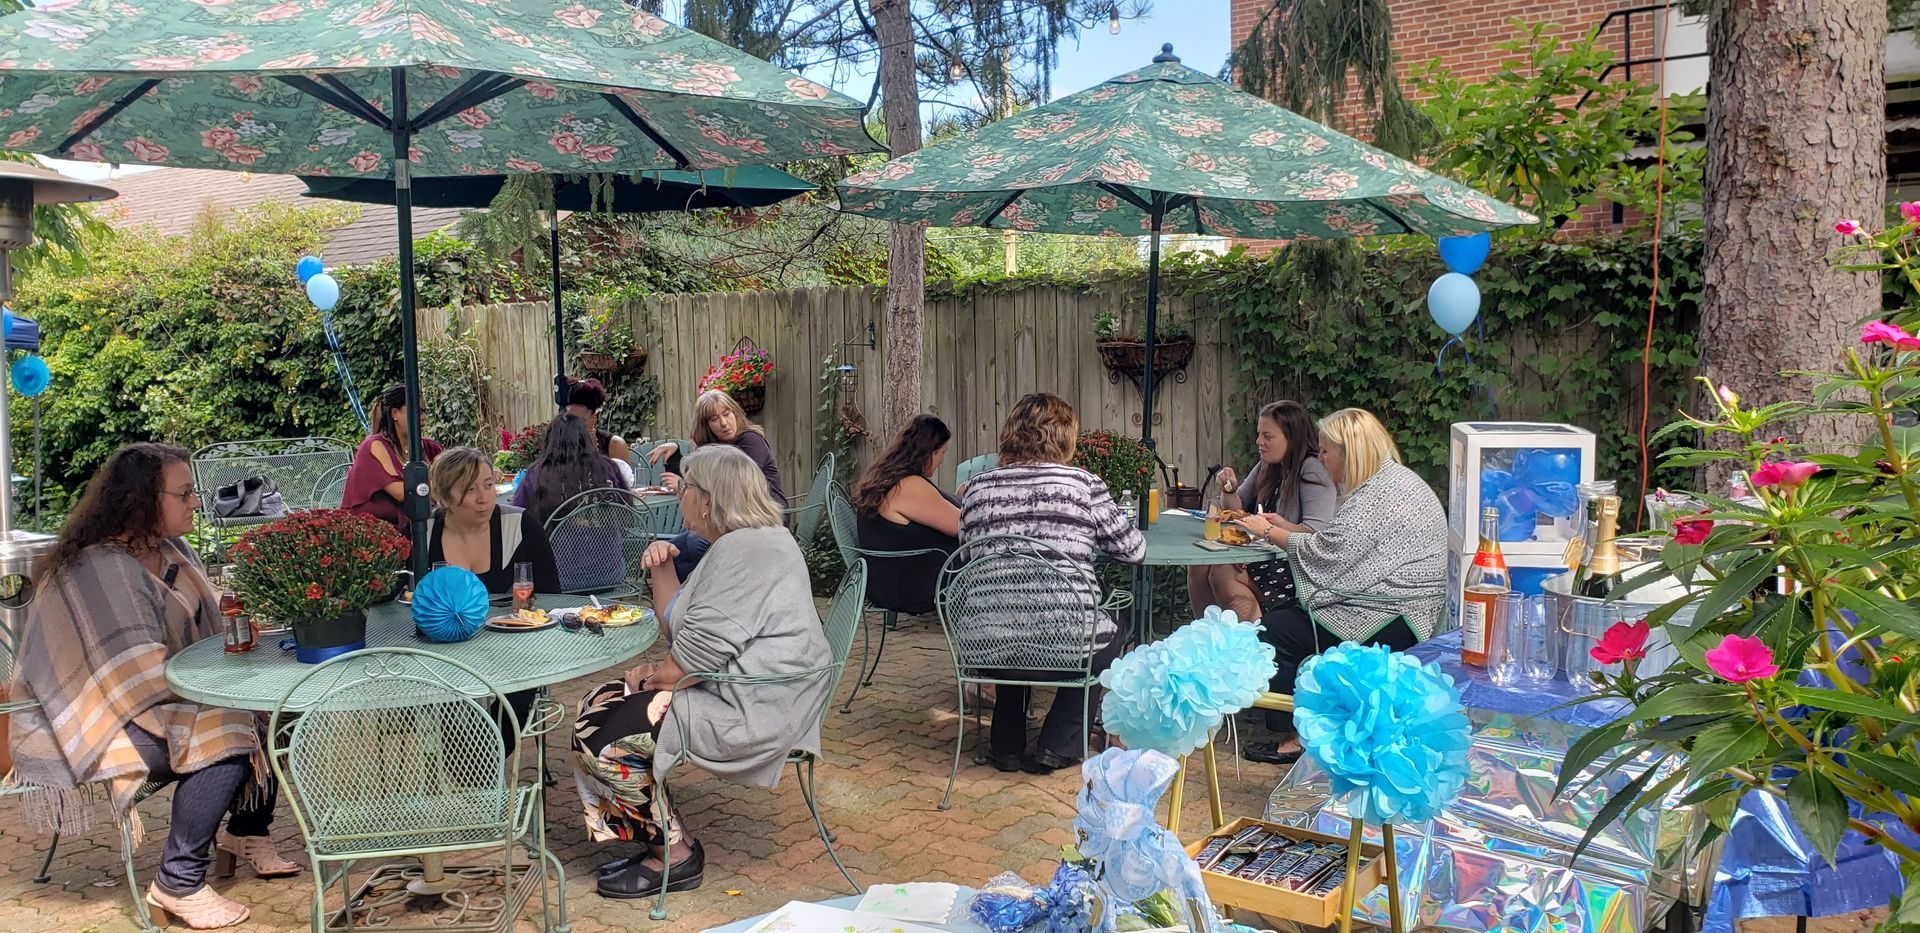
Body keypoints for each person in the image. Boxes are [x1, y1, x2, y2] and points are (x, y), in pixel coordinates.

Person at [9, 444, 298, 929]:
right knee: (227, 732)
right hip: (89, 720)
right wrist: (223, 691)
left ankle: (247, 830)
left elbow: (202, 636)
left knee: (274, 706)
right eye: (184, 493)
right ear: (142, 499)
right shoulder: (99, 569)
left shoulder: (172, 550)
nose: (196, 503)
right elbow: (132, 677)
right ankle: (177, 883)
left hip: (157, 701)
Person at [575, 445, 832, 899]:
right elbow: (678, 625)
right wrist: (663, 566)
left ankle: (674, 856)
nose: (680, 494)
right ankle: (662, 836)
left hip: (754, 709)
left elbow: (688, 663)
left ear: (708, 499)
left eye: (687, 487)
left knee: (599, 734)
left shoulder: (746, 551)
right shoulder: (747, 540)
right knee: (595, 703)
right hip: (744, 691)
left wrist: (647, 678)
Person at [1231, 407, 1447, 765]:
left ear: (1350, 452)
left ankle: (1296, 738)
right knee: (1285, 619)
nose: (1321, 458)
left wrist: (1269, 531)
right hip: (1405, 607)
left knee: (1272, 633)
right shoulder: (1393, 481)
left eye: (1326, 451)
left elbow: (1327, 553)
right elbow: (1339, 550)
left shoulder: (1375, 497)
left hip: (1392, 616)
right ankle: (1313, 723)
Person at [959, 393, 1145, 775]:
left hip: (986, 646)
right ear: (1066, 437)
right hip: (1067, 646)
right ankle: (1057, 745)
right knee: (1111, 628)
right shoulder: (1083, 484)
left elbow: (966, 558)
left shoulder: (976, 488)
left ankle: (1006, 745)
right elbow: (1133, 550)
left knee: (1012, 613)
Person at [1187, 400, 1338, 621]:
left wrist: (1271, 529)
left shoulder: (1312, 469)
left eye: (1268, 436)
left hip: (1295, 565)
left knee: (1223, 571)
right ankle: (1208, 632)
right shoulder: (1268, 465)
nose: (1259, 442)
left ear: (1292, 438)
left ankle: (1253, 637)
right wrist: (1229, 489)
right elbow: (1236, 509)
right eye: (1259, 434)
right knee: (1198, 564)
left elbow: (1315, 534)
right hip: (1263, 551)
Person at [850, 414, 961, 616]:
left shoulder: (888, 479)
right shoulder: (908, 486)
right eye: (943, 452)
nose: (942, 460)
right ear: (930, 452)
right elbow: (962, 525)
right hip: (910, 587)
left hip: (889, 580)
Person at [422, 446, 561, 595]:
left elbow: (551, 596)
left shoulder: (520, 526)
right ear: (444, 498)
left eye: (489, 485)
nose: (483, 498)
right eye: (470, 489)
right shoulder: (422, 533)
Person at [645, 390, 785, 503]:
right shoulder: (711, 449)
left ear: (735, 413)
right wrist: (674, 451)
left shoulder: (751, 441)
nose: (723, 423)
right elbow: (693, 476)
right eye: (715, 419)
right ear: (706, 426)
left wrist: (683, 487)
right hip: (729, 518)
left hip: (765, 518)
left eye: (726, 414)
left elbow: (733, 488)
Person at [342, 383, 443, 530]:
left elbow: (452, 482)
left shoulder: (431, 448)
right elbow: (401, 492)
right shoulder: (375, 446)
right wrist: (437, 484)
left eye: (424, 412)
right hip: (374, 531)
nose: (423, 418)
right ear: (395, 413)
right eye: (417, 411)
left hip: (420, 526)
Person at [514, 412, 630, 530]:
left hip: (554, 541)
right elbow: (626, 512)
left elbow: (519, 514)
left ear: (550, 441)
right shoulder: (608, 468)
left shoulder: (537, 474)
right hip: (606, 540)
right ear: (585, 438)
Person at [566, 377, 636, 487]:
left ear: (594, 417)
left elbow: (624, 488)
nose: (575, 426)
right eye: (570, 420)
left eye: (581, 421)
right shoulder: (560, 442)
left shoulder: (614, 445)